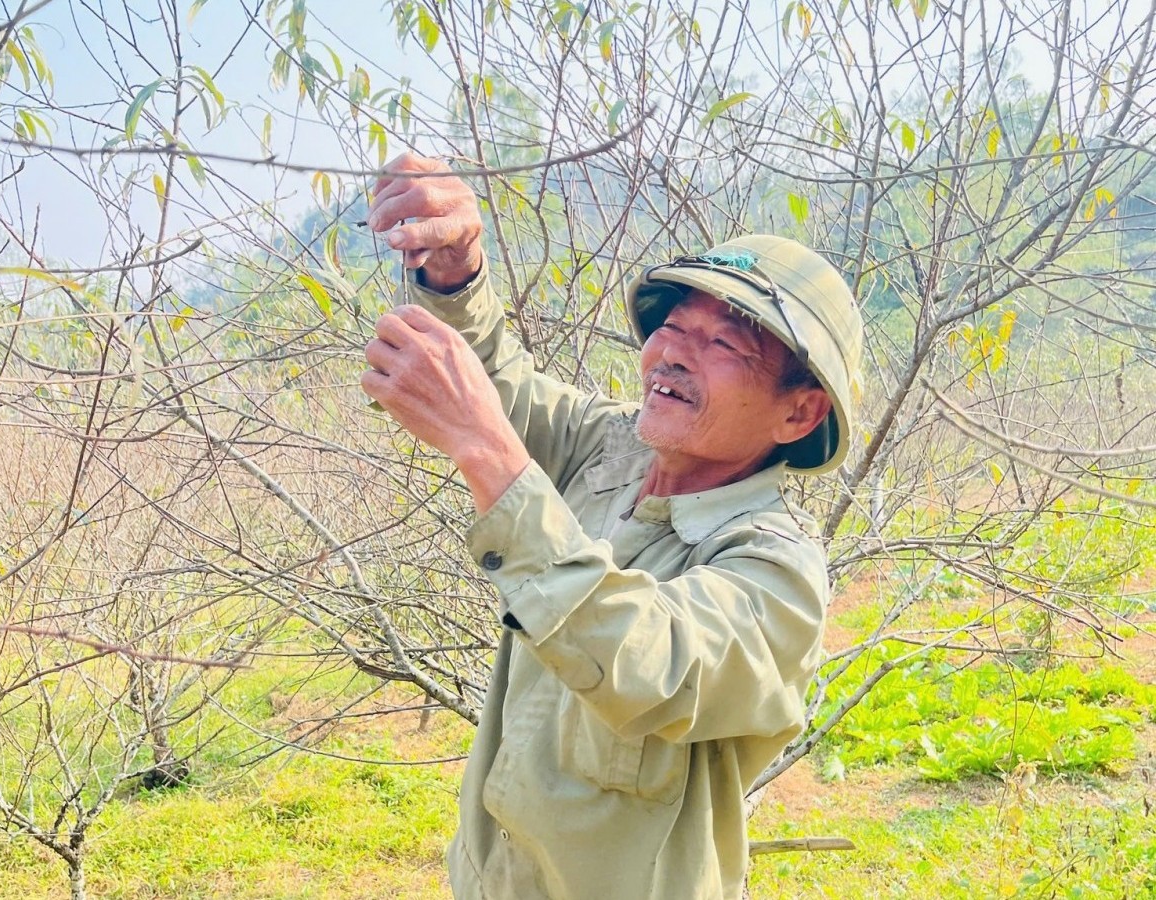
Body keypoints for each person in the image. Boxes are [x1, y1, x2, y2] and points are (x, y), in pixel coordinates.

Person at [361, 153, 864, 900]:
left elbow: (645, 657)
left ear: (799, 412)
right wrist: (455, 274)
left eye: (725, 344)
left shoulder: (777, 572)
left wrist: (485, 448)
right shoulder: (611, 450)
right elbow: (498, 379)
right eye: (674, 325)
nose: (673, 351)